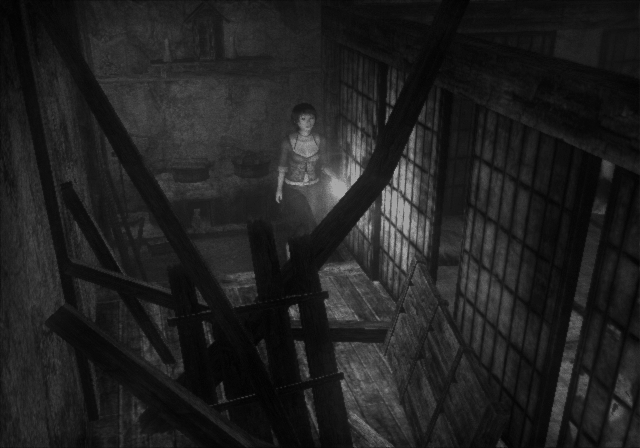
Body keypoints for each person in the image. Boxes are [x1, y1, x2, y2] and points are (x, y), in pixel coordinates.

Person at [276, 103, 327, 250]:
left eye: (311, 118)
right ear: (296, 121)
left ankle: (311, 253)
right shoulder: (288, 142)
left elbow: (324, 165)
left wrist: (337, 178)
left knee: (314, 220)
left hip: (314, 186)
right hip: (294, 188)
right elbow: (282, 168)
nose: (308, 122)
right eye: (303, 119)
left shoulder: (320, 140)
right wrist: (279, 189)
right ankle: (291, 252)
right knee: (299, 220)